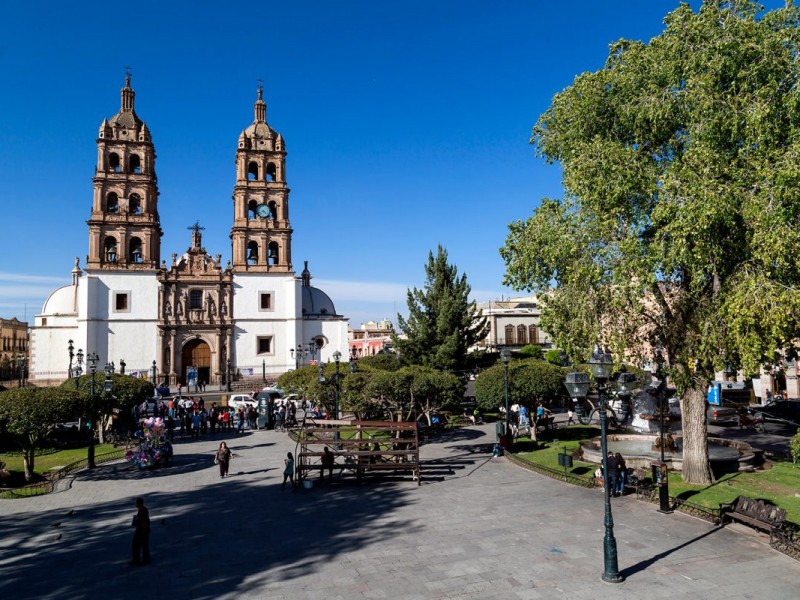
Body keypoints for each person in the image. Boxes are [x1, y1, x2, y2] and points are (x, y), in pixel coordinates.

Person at [130, 497, 150, 566]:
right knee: (144, 545)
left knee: (136, 545)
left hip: (141, 531)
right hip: (144, 530)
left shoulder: (143, 511)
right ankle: (145, 559)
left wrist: (143, 531)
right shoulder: (143, 509)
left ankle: (137, 560)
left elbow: (144, 522)